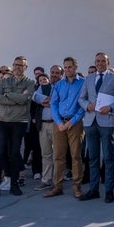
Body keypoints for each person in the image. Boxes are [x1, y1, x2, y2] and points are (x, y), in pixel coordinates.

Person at [0, 56, 35, 198]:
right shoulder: (5, 80)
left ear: (26, 67)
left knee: (14, 154)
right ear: (13, 66)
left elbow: (26, 99)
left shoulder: (30, 82)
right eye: (16, 64)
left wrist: (9, 95)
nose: (18, 67)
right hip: (3, 121)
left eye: (22, 65)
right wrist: (17, 97)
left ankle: (14, 184)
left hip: (19, 122)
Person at [78, 52, 114, 203]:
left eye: (102, 61)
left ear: (108, 62)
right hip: (91, 121)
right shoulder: (89, 78)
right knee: (92, 158)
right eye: (97, 61)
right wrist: (87, 106)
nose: (99, 63)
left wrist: (110, 108)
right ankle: (94, 189)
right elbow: (81, 98)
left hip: (107, 122)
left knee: (109, 158)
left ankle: (109, 191)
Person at [44, 57, 86, 199]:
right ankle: (58, 186)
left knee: (75, 156)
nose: (67, 70)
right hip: (59, 124)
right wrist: (58, 122)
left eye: (70, 67)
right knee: (59, 156)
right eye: (65, 67)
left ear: (75, 67)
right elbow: (54, 103)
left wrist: (71, 122)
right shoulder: (59, 84)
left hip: (75, 123)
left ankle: (77, 186)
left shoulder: (83, 83)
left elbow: (84, 105)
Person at [32, 73, 55, 191]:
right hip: (44, 124)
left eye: (57, 73)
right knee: (46, 154)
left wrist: (50, 101)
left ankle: (57, 181)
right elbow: (36, 97)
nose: (54, 75)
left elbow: (56, 101)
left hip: (56, 124)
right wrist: (45, 101)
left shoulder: (58, 86)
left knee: (57, 154)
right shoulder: (42, 87)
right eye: (53, 73)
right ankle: (46, 180)